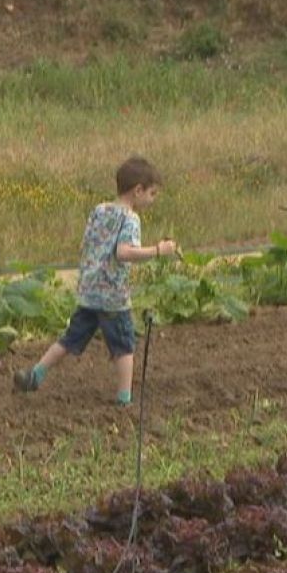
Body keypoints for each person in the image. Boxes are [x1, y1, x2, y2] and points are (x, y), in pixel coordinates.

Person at [14, 157, 178, 405]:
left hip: (89, 291)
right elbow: (123, 252)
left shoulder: (99, 210)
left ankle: (35, 374)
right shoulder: (131, 219)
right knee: (124, 346)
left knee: (70, 338)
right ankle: (124, 398)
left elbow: (85, 245)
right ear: (138, 191)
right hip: (113, 295)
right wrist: (158, 250)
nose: (153, 200)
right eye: (152, 193)